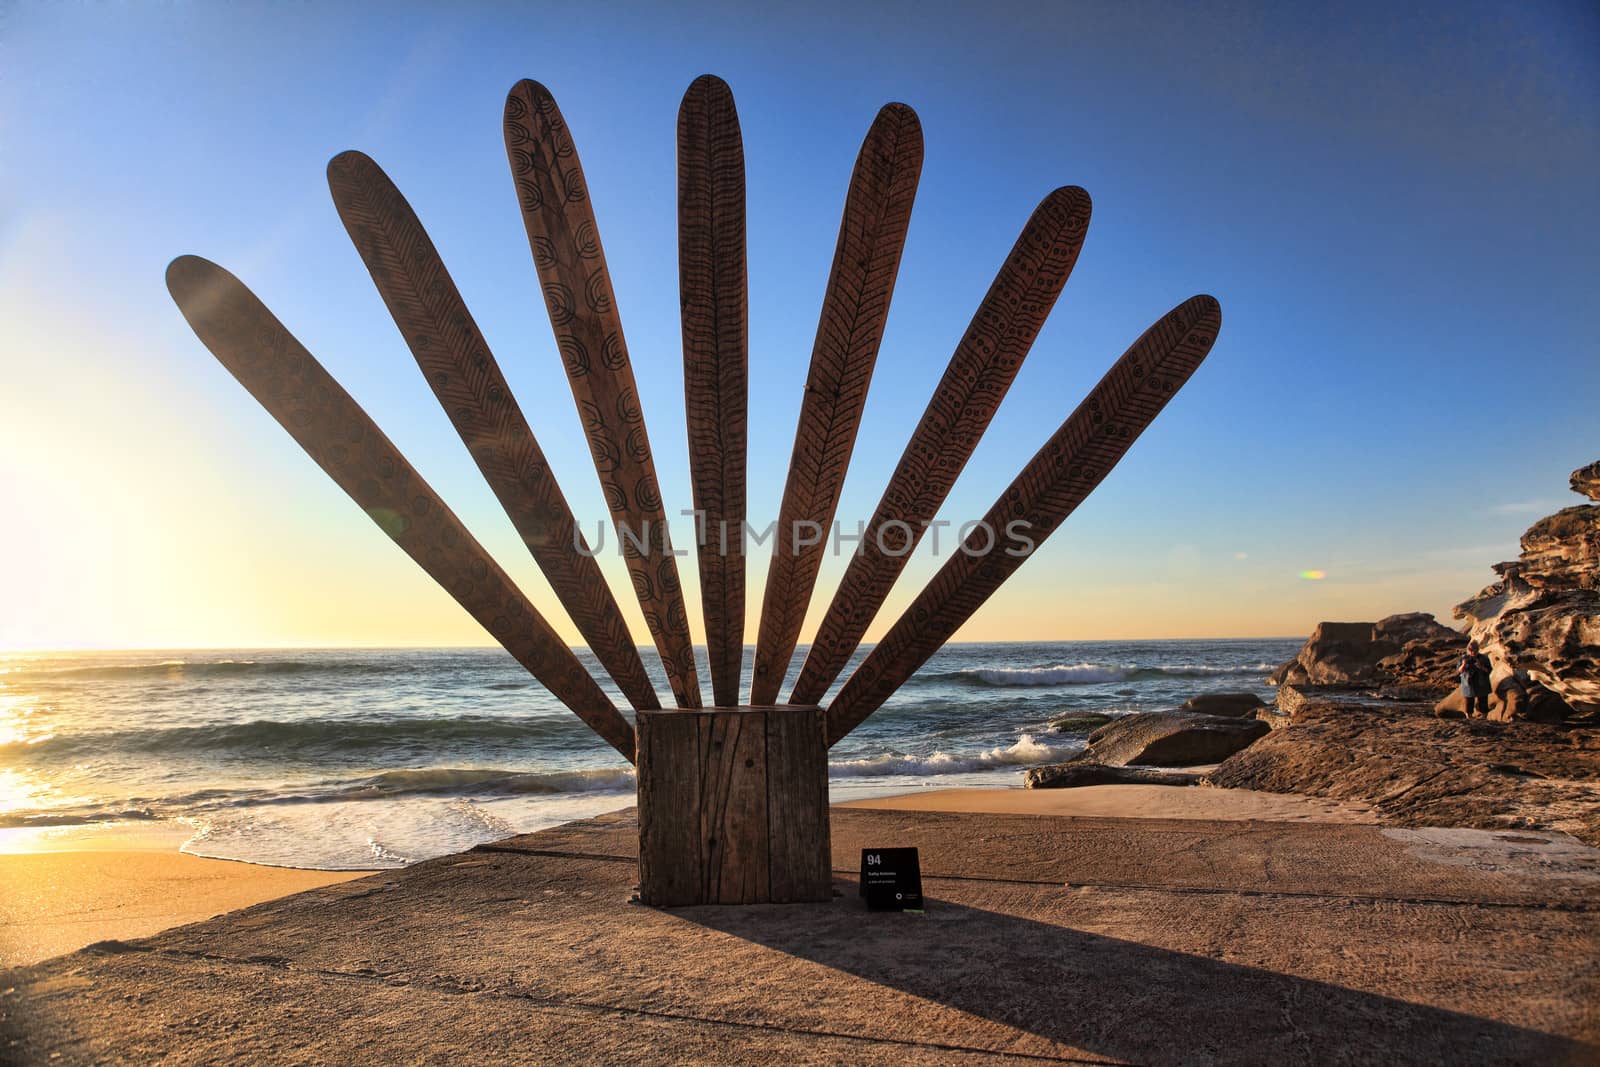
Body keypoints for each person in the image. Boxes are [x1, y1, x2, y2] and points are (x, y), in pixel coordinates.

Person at [1458, 640, 1492, 717]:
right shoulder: (1463, 658)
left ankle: (1484, 719)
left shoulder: (1484, 658)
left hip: (1482, 684)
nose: (1472, 651)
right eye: (1470, 649)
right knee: (1468, 705)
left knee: (1483, 704)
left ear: (1478, 649)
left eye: (1474, 649)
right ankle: (1469, 719)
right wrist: (1464, 664)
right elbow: (1459, 671)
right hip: (1468, 685)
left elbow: (1489, 670)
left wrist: (1481, 667)